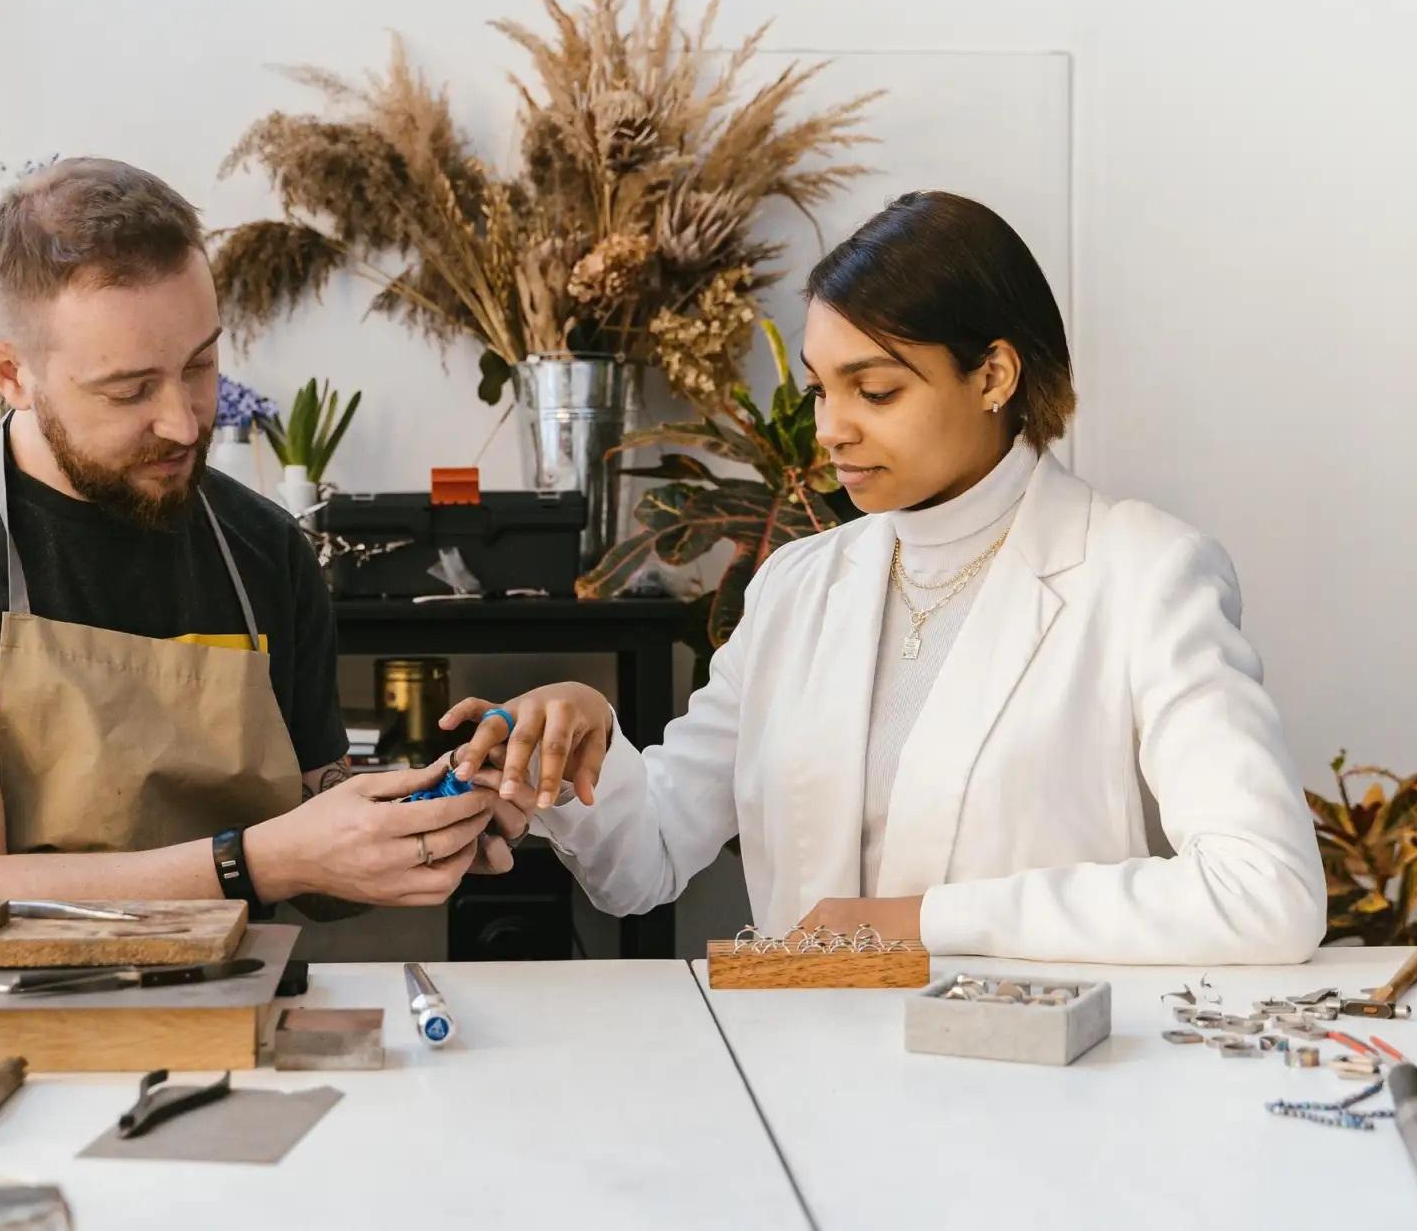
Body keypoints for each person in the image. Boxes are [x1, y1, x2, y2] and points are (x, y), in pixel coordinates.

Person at [446, 191, 1325, 964]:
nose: (832, 428)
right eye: (821, 391)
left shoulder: (1142, 573)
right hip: (809, 1071)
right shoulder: (797, 586)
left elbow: (1265, 890)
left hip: (1031, 1077)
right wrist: (582, 743)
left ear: (993, 375)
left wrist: (921, 923)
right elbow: (649, 860)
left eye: (874, 392)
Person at [0, 157, 505, 923]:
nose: (184, 423)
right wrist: (262, 862)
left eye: (200, 365)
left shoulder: (264, 547)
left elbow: (316, 865)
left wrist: (428, 822)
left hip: (226, 991)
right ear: (9, 375)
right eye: (129, 390)